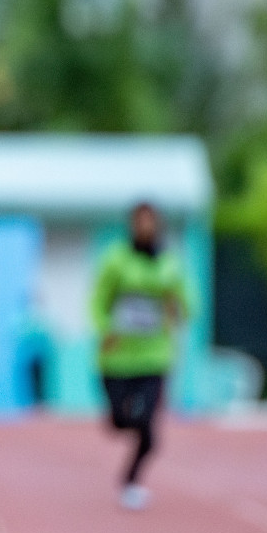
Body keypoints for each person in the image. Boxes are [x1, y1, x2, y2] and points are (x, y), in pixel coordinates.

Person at [92, 202, 190, 511]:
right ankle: (135, 429)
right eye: (140, 221)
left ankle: (131, 482)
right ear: (132, 224)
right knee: (120, 422)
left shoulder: (170, 265)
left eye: (151, 221)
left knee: (147, 426)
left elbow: (187, 304)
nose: (146, 227)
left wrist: (179, 307)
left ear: (158, 225)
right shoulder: (116, 260)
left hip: (154, 357)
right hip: (118, 357)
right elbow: (97, 301)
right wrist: (105, 328)